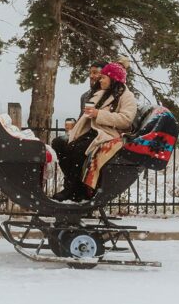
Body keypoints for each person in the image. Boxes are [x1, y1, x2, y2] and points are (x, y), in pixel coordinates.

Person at [51, 61, 138, 201]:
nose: (99, 79)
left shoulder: (127, 96)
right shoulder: (102, 93)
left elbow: (126, 120)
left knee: (78, 149)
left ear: (113, 79)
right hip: (92, 131)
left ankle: (73, 189)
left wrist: (98, 114)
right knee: (59, 143)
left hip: (108, 135)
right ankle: (75, 187)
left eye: (103, 77)